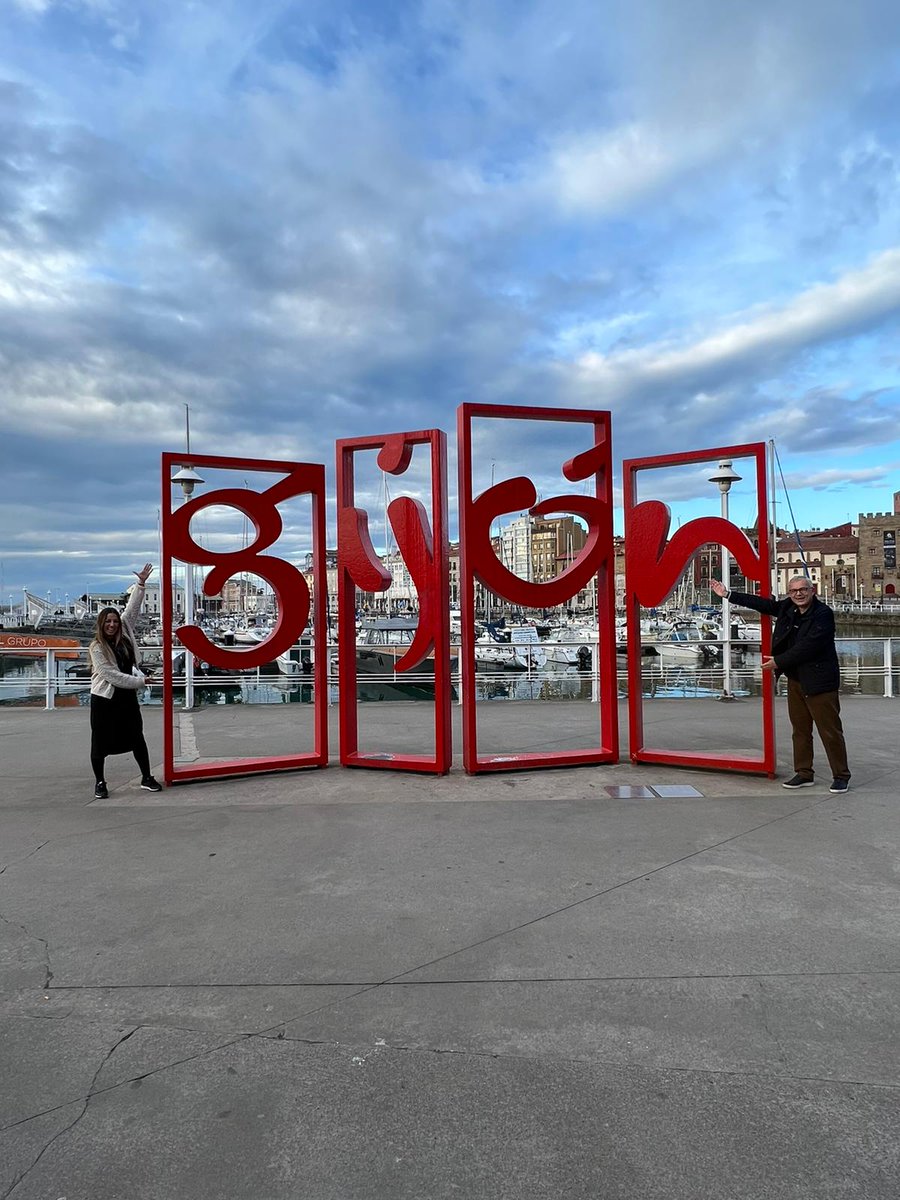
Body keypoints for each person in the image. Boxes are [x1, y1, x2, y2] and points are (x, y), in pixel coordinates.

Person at [710, 576, 850, 793]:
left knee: (829, 731)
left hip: (820, 682)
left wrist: (778, 662)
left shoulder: (823, 614)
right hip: (796, 680)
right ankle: (804, 773)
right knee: (800, 730)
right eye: (794, 591)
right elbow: (763, 605)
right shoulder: (788, 608)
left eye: (803, 590)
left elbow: (809, 646)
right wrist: (728, 594)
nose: (799, 594)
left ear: (813, 591)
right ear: (789, 593)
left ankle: (841, 776)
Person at [88, 562, 162, 799]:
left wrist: (141, 584)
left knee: (137, 737)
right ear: (101, 624)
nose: (112, 625)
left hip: (126, 699)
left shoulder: (126, 630)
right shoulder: (97, 647)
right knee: (100, 743)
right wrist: (141, 682)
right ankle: (100, 782)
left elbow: (133, 607)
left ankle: (146, 777)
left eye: (115, 621)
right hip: (105, 699)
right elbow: (111, 675)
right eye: (107, 622)